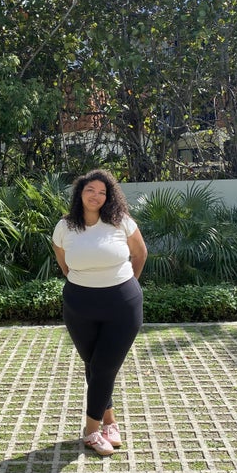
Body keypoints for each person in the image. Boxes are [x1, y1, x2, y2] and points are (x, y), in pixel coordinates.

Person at [52, 169, 148, 456]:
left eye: (102, 192)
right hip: (79, 305)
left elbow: (140, 254)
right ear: (80, 193)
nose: (96, 196)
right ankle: (110, 422)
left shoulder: (121, 222)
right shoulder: (65, 227)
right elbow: (63, 262)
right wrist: (86, 282)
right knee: (94, 365)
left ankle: (91, 431)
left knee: (105, 366)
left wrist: (126, 286)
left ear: (109, 197)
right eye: (90, 190)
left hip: (122, 304)